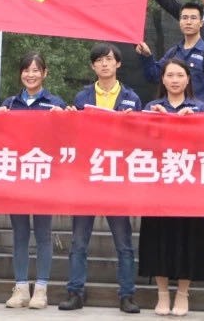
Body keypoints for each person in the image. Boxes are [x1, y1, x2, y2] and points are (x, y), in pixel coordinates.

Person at [61, 42, 143, 313]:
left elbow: (140, 139)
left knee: (124, 243)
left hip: (117, 177)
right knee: (78, 241)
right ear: (93, 66)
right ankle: (75, 292)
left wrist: (133, 123)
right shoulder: (83, 97)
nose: (104, 64)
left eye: (109, 59)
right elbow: (73, 134)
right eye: (99, 60)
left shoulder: (131, 98)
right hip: (87, 175)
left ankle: (127, 295)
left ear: (118, 63)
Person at [138, 58, 204, 317]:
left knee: (188, 237)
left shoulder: (199, 108)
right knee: (157, 237)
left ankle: (182, 293)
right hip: (158, 184)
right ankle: (162, 293)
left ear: (188, 79)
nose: (175, 80)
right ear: (163, 79)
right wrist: (154, 123)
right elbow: (140, 143)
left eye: (180, 75)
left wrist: (193, 123)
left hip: (189, 184)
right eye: (170, 75)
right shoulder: (152, 107)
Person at [0, 52, 68, 309]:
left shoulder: (55, 103)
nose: (31, 75)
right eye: (26, 70)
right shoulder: (10, 103)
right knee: (19, 233)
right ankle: (20, 288)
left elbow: (65, 137)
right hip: (17, 177)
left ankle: (41, 289)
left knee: (43, 234)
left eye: (36, 70)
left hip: (43, 176)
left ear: (45, 73)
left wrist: (65, 118)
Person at [135, 1, 204, 110]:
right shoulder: (173, 52)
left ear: (201, 23)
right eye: (184, 18)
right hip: (171, 114)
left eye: (193, 18)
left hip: (198, 114)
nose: (188, 22)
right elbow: (154, 76)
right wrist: (147, 57)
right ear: (180, 22)